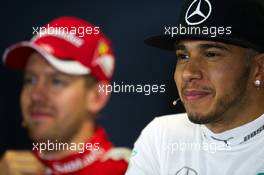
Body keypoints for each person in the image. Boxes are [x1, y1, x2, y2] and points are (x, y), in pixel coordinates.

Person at [125, 0, 264, 174]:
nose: (188, 73)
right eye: (183, 56)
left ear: (259, 69)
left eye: (211, 54)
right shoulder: (161, 136)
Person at [0, 16, 130, 175]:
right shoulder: (8, 169)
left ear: (97, 96)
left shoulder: (133, 170)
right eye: (30, 80)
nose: (36, 95)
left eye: (56, 81)